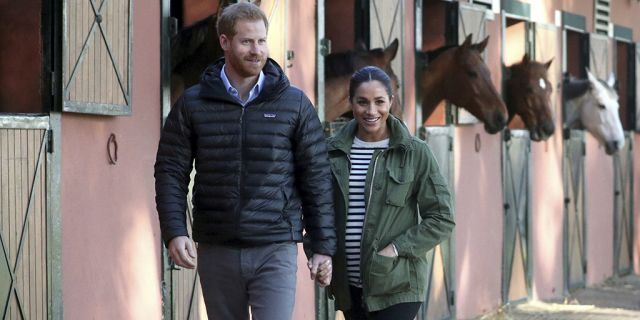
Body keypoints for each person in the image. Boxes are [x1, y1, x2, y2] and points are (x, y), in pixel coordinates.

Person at [154, 3, 336, 320]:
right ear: (224, 42)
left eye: (262, 41)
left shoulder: (294, 104)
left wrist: (321, 246)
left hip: (275, 247)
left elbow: (316, 177)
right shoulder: (193, 104)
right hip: (217, 247)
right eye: (247, 41)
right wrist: (174, 230)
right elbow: (170, 170)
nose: (256, 50)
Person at [317, 66, 455, 319]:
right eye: (362, 102)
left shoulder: (414, 152)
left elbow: (442, 218)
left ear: (391, 101)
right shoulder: (331, 152)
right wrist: (318, 251)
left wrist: (396, 248)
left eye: (379, 102)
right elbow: (318, 211)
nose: (371, 111)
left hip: (397, 284)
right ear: (350, 103)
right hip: (348, 287)